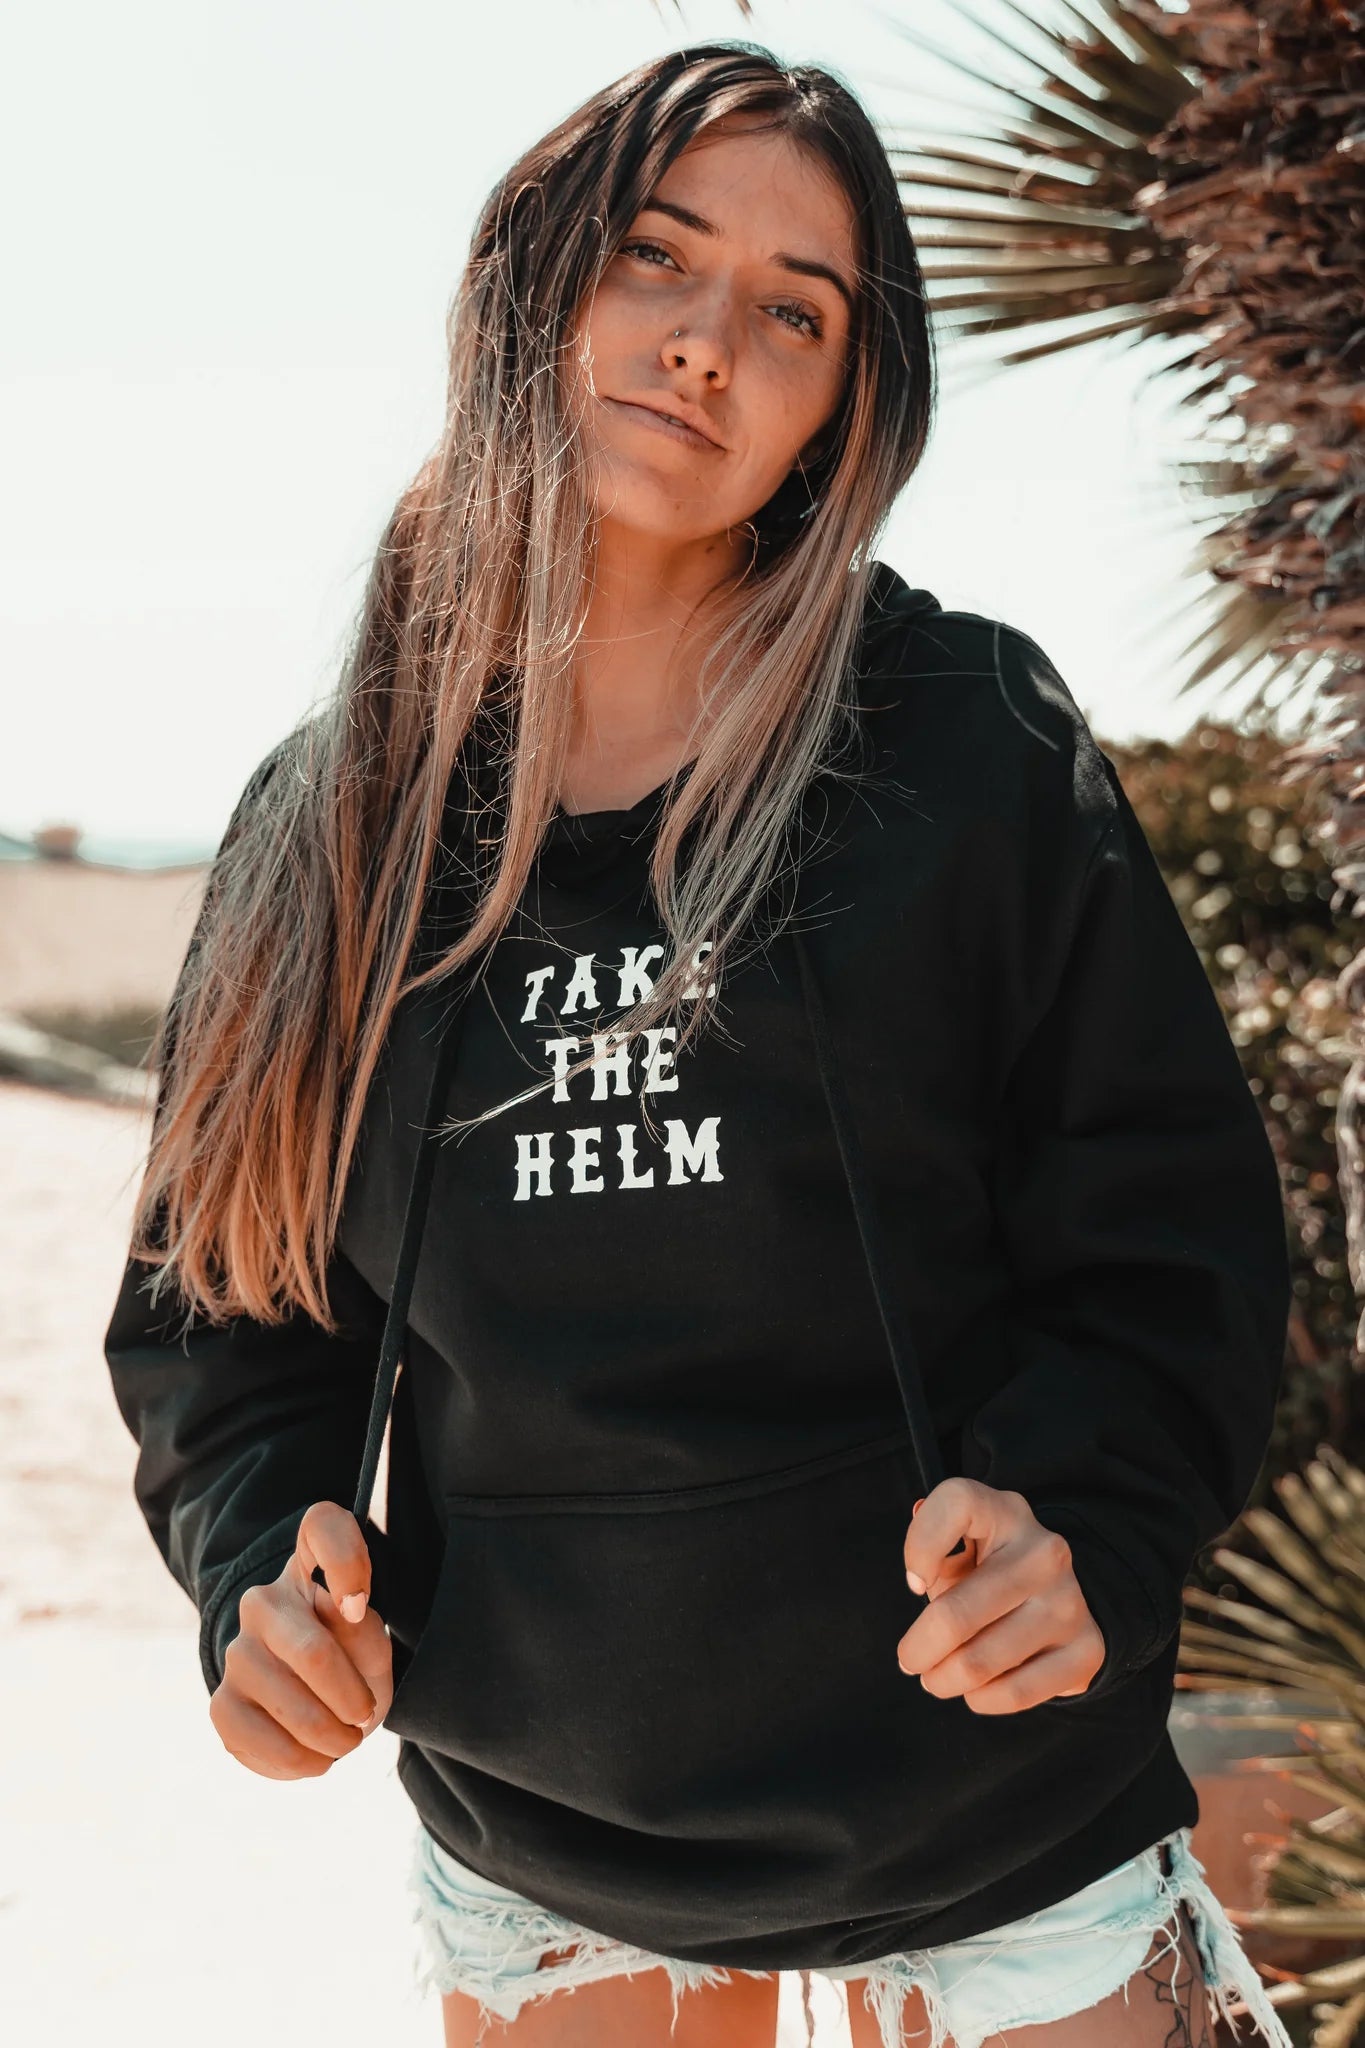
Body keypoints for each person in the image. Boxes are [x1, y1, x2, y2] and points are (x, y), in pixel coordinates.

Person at [103, 41, 1296, 2048]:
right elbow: (221, 1318)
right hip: (547, 1856)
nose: (703, 343)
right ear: (537, 287)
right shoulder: (331, 825)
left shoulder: (959, 745)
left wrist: (1071, 1515)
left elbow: (1172, 1246)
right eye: (655, 260)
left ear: (845, 401)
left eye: (790, 311)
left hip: (997, 1837)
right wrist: (260, 1572)